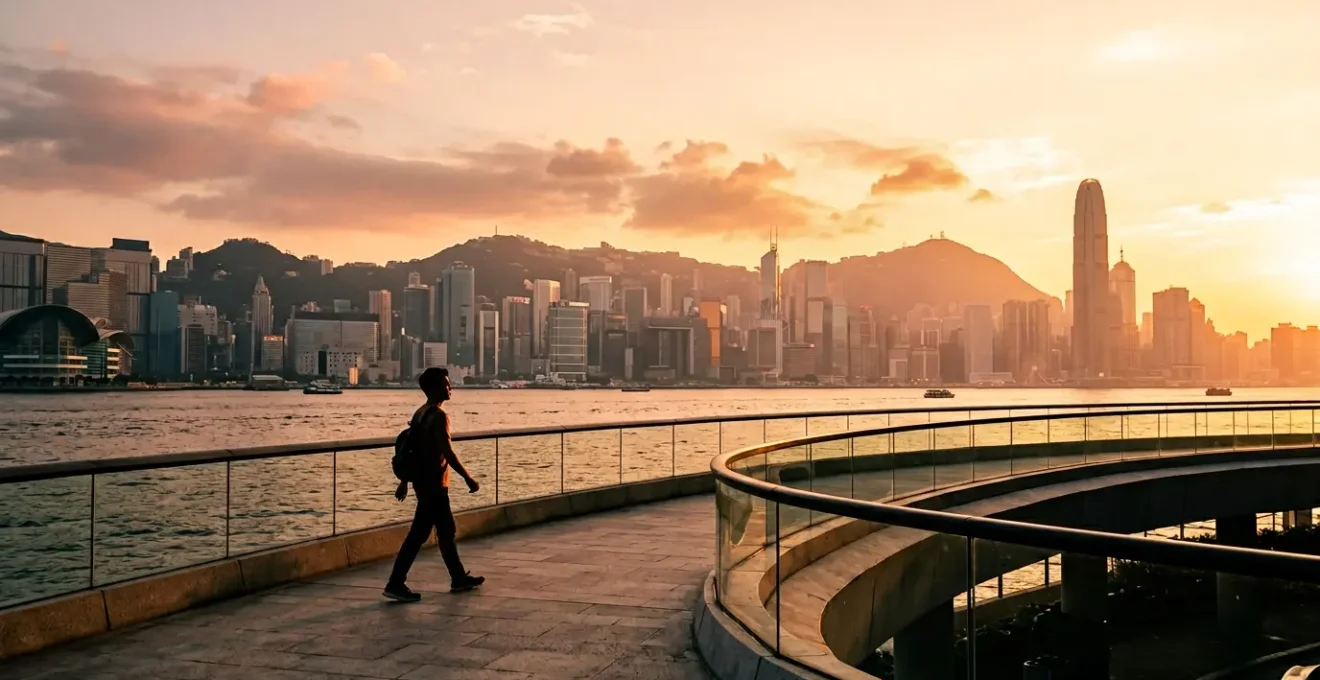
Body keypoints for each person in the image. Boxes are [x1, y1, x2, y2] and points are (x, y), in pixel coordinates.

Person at [384, 367, 484, 602]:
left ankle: (458, 577)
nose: (451, 388)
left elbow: (410, 449)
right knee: (420, 535)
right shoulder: (439, 416)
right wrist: (468, 477)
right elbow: (447, 451)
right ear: (436, 388)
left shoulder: (421, 413)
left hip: (423, 482)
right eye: (447, 384)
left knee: (445, 530)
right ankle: (396, 583)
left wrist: (404, 481)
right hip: (434, 484)